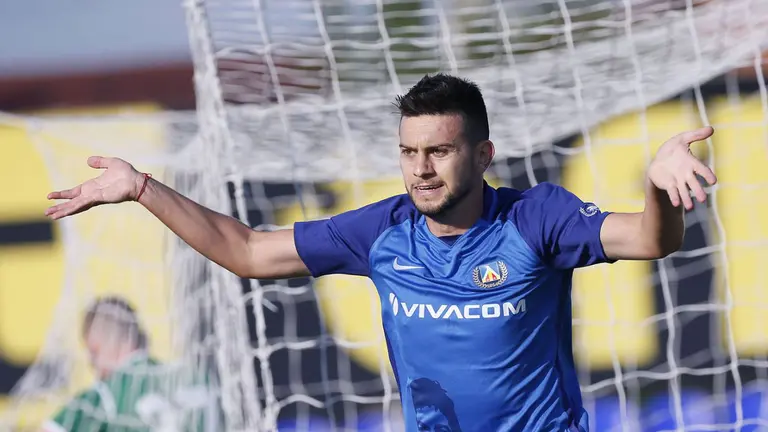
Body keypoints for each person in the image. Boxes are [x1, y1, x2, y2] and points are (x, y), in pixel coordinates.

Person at [44, 73, 717, 431]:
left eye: (440, 151)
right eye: (409, 152)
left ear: (483, 154)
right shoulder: (383, 231)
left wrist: (658, 187)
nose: (421, 169)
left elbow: (650, 239)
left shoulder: (534, 217)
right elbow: (246, 251)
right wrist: (142, 188)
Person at [43, 296, 216, 432]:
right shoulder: (199, 380)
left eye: (92, 353)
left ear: (96, 347)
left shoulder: (103, 396)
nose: (92, 365)